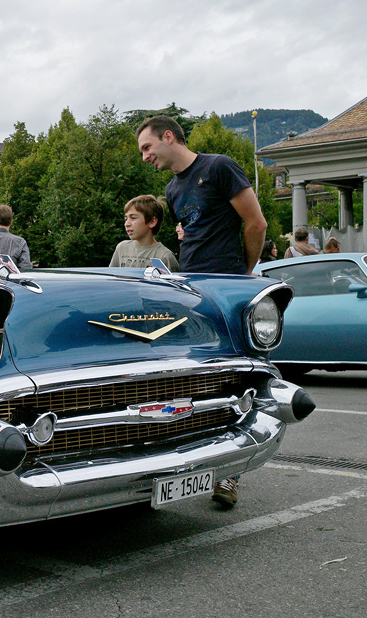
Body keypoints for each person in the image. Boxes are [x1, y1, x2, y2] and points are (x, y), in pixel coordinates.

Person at [137, 115, 267, 508]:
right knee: (192, 380)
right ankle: (187, 464)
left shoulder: (218, 167)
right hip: (188, 289)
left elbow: (255, 223)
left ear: (169, 137)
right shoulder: (172, 189)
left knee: (236, 378)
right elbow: (189, 232)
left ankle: (231, 473)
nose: (145, 157)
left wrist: (241, 275)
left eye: (147, 147)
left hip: (225, 288)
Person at [109, 195, 179, 271]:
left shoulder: (165, 256)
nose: (127, 224)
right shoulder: (121, 248)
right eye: (126, 219)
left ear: (152, 222)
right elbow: (112, 279)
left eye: (133, 218)